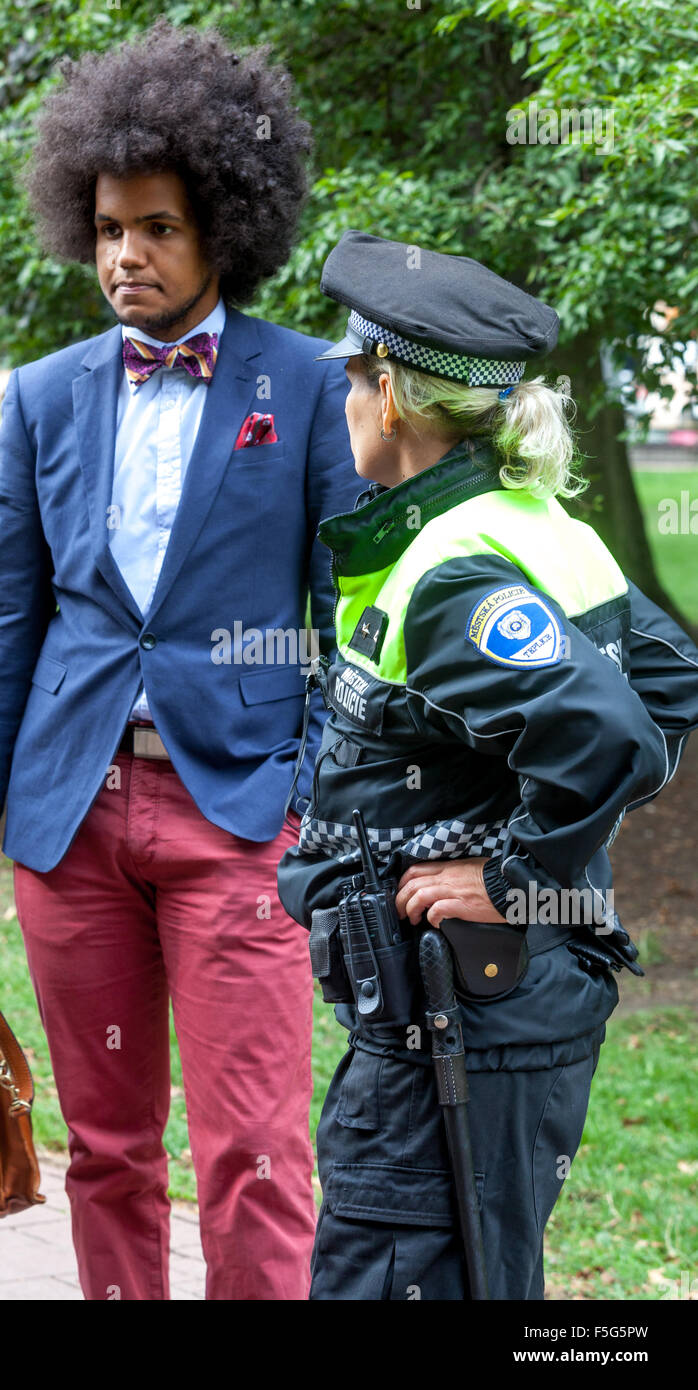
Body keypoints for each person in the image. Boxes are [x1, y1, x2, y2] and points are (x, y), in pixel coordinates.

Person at [0, 21, 360, 1301]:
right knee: (108, 1151)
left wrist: (309, 795)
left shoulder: (309, 383)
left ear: (222, 226)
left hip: (237, 819)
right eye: (110, 228)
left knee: (255, 1152)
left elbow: (348, 616)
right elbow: (3, 619)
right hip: (73, 821)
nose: (128, 254)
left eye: (158, 227)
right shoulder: (44, 396)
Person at [277, 229, 698, 1300]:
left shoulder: (453, 565)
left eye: (350, 382)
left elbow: (600, 734)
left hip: (454, 1023)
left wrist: (514, 879)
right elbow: (670, 684)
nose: (341, 406)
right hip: (497, 1012)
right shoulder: (537, 526)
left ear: (391, 398)